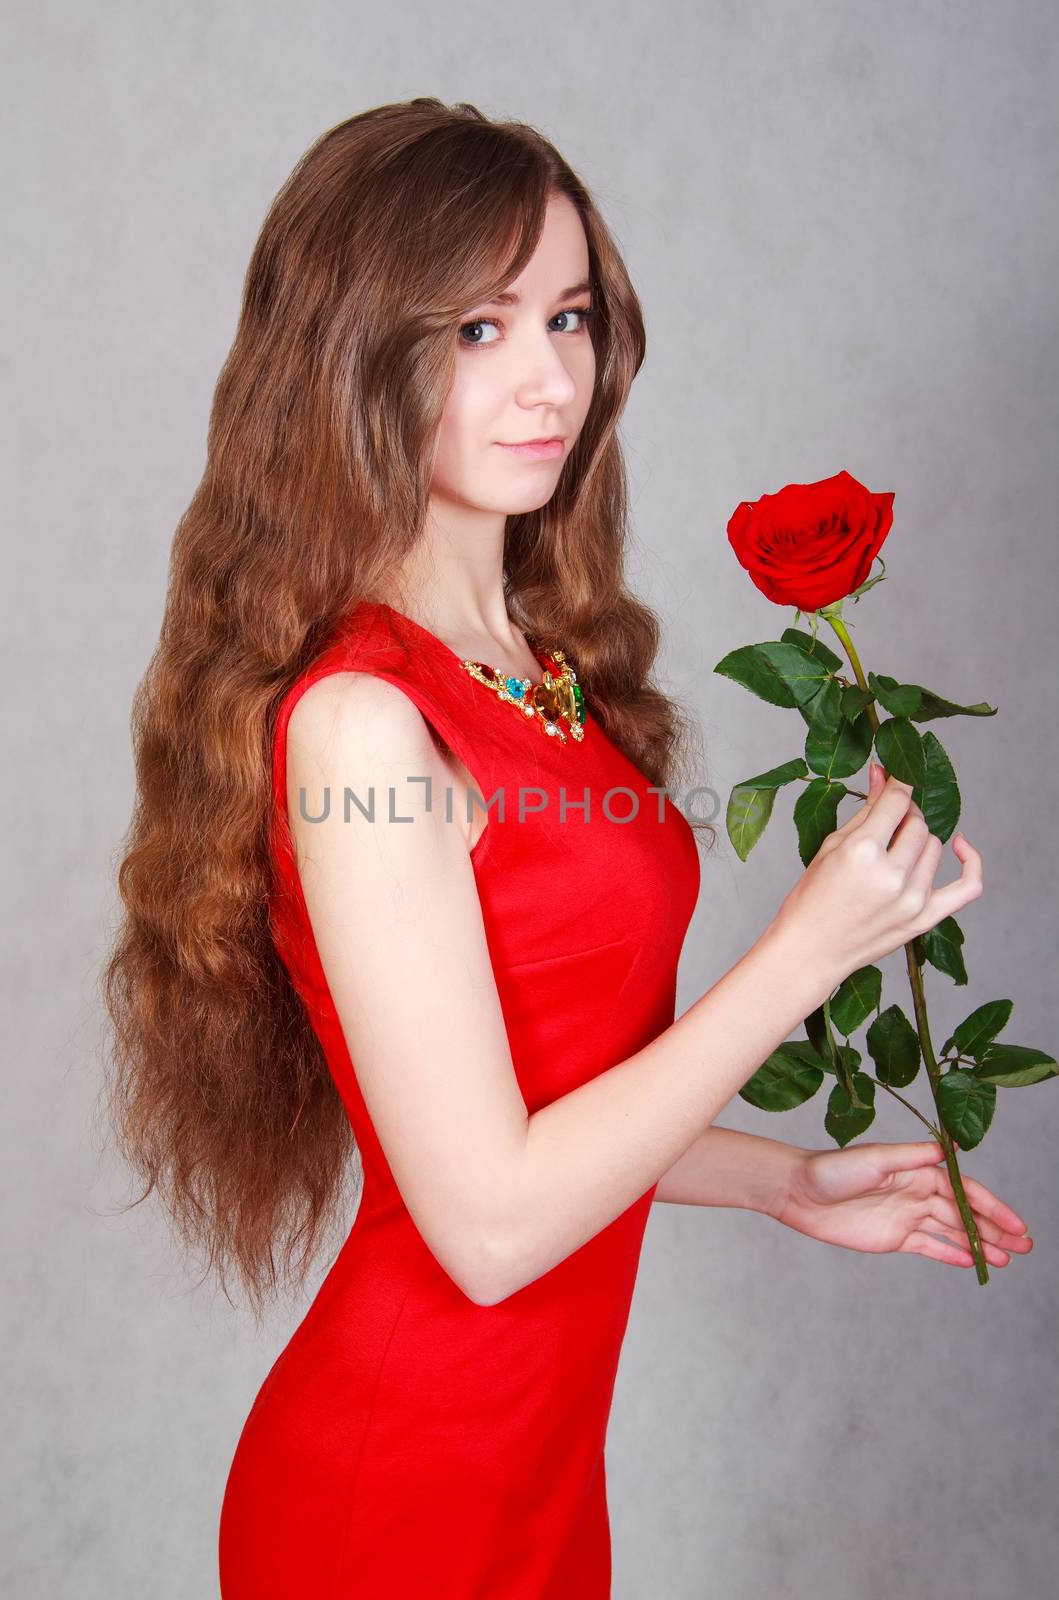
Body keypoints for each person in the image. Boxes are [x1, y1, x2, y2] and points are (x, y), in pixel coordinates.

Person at [101, 99, 1032, 1598]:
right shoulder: (362, 725)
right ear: (354, 354)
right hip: (397, 1498)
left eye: (571, 315)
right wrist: (802, 957)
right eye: (478, 328)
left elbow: (543, 1101)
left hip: (534, 1484)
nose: (547, 379)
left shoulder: (535, 665)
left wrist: (782, 1183)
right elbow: (482, 1222)